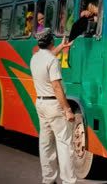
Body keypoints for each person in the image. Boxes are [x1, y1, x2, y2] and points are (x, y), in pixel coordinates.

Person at [30, 28, 77, 184]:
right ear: (51, 41)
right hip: (54, 105)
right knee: (64, 144)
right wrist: (67, 109)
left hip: (41, 103)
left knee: (46, 143)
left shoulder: (35, 58)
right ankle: (68, 181)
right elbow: (56, 86)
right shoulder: (52, 60)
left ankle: (48, 179)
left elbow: (48, 58)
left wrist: (61, 47)